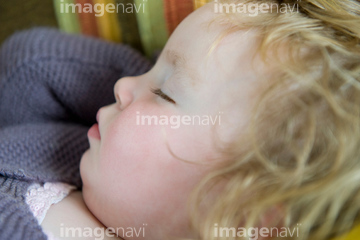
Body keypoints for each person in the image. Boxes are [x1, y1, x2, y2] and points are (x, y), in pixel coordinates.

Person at [0, 0, 359, 239]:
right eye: (151, 65)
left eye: (165, 93)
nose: (123, 84)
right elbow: (26, 66)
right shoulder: (86, 149)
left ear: (240, 213)